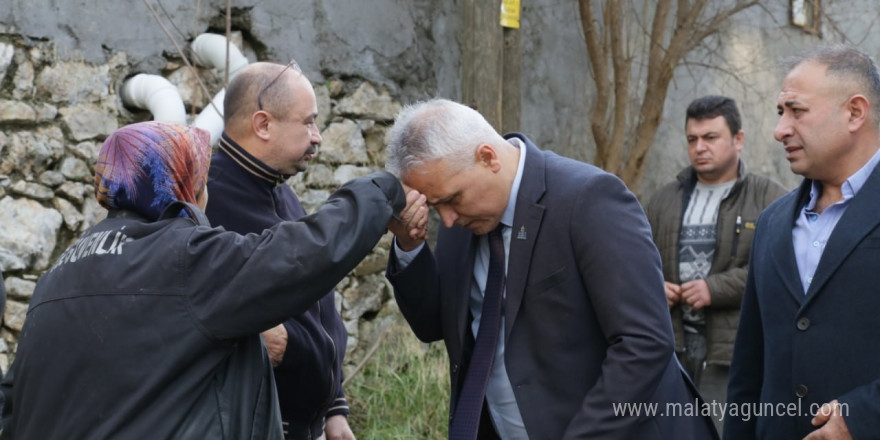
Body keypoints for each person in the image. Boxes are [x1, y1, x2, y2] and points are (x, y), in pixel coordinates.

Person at [0, 121, 405, 439]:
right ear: (183, 183)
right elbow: (302, 253)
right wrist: (380, 191)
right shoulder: (184, 258)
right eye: (201, 176)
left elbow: (12, 401)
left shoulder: (57, 274)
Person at [384, 98, 718, 439]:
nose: (448, 220)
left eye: (453, 199)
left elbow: (644, 343)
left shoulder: (589, 199)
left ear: (488, 157)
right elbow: (433, 326)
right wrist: (409, 246)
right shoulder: (463, 221)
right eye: (437, 206)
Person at [725, 45, 880, 440]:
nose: (780, 130)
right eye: (781, 113)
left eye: (797, 111)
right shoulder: (773, 223)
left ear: (855, 112)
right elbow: (749, 370)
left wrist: (863, 417)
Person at [204, 60, 353, 440]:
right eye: (308, 122)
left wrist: (333, 407)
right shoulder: (208, 201)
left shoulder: (280, 192)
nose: (317, 136)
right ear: (263, 125)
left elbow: (318, 303)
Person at [644, 95, 786, 424]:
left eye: (710, 137)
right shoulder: (663, 199)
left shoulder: (770, 198)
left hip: (733, 353)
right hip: (672, 349)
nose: (699, 147)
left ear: (738, 139)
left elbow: (779, 271)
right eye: (692, 139)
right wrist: (652, 287)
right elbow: (637, 263)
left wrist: (715, 288)